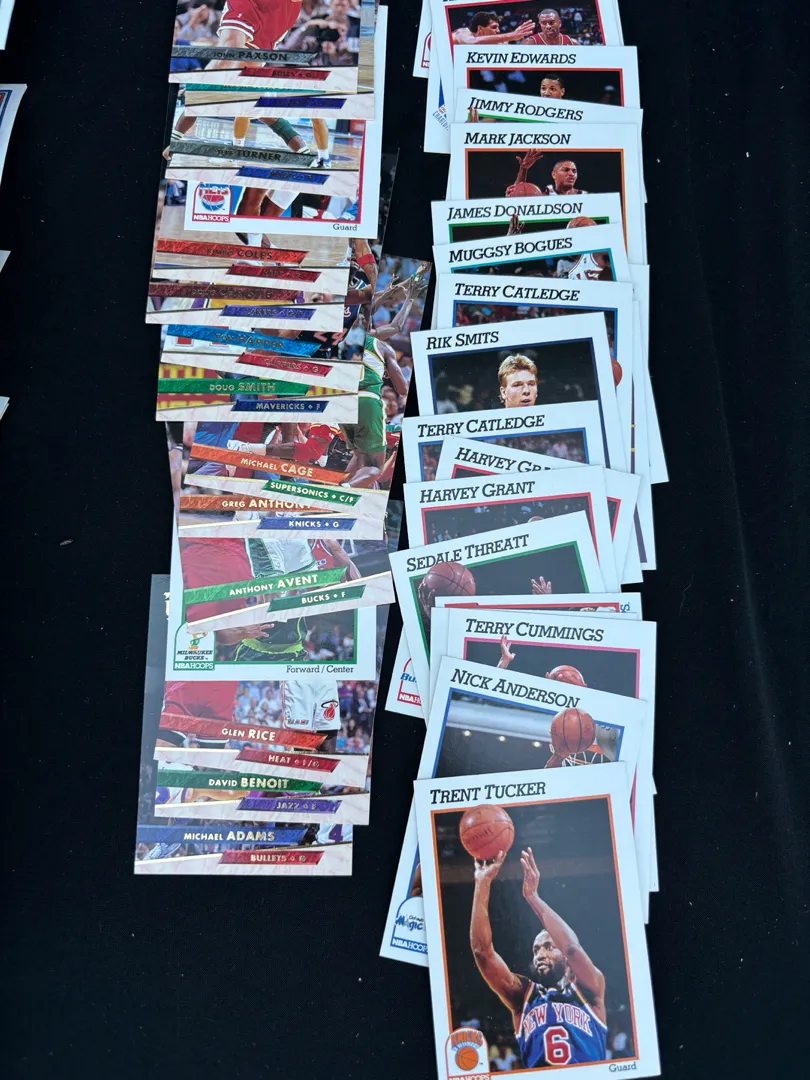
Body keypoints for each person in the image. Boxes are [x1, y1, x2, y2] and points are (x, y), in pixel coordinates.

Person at [469, 845, 607, 1066]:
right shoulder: (524, 996)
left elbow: (572, 948)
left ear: (565, 959)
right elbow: (482, 953)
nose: (540, 954)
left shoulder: (589, 988)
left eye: (548, 947)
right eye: (536, 950)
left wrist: (533, 897)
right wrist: (482, 882)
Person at [452, 11, 535, 45]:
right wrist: (512, 35)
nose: (498, 31)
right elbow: (473, 42)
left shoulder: (482, 39)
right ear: (480, 28)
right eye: (494, 27)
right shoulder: (462, 32)